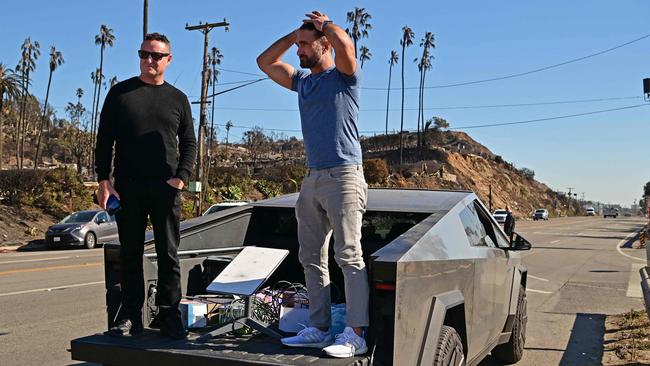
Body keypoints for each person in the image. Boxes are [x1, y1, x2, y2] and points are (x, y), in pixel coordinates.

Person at [257, 11, 368, 358]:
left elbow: (346, 46)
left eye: (305, 46)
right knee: (310, 256)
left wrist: (325, 27)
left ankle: (355, 333)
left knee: (349, 255)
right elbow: (264, 62)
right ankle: (319, 329)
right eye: (298, 46)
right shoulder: (303, 82)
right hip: (312, 178)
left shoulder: (345, 78)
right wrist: (294, 35)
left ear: (324, 45)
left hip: (345, 175)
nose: (299, 51)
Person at [95, 32, 197, 339]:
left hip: (165, 188)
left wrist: (181, 177)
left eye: (155, 56)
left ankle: (168, 315)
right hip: (127, 187)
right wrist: (104, 181)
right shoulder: (120, 93)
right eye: (144, 54)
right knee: (130, 254)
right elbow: (104, 142)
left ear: (168, 60)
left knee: (168, 254)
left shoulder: (178, 98)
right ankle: (129, 316)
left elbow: (189, 141)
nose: (148, 60)